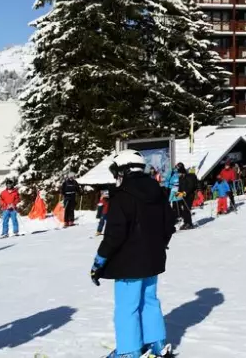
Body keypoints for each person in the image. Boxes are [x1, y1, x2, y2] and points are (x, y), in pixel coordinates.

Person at [91, 150, 175, 358]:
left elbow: (114, 235)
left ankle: (129, 351)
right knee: (149, 301)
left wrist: (99, 262)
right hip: (152, 260)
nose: (116, 177)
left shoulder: (122, 196)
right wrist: (157, 246)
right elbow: (169, 225)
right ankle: (157, 343)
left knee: (127, 307)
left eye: (117, 172)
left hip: (128, 264)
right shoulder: (158, 191)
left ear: (125, 170)